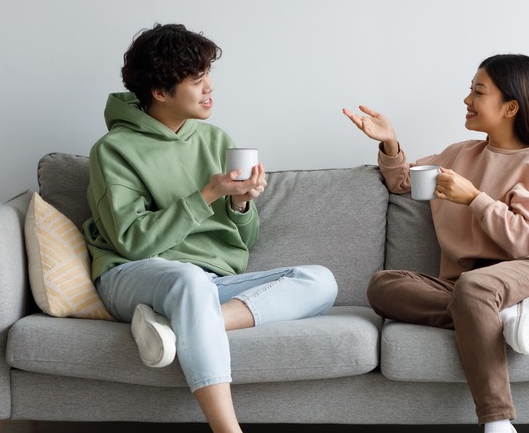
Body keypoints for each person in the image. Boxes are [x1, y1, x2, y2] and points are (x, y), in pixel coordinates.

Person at [82, 23, 338, 433]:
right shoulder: (113, 150)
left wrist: (240, 203)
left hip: (209, 283)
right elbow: (131, 242)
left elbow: (244, 242)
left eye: (208, 77)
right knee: (187, 281)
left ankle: (184, 322)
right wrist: (205, 195)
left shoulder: (216, 139)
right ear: (161, 92)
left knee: (320, 281)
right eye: (197, 80)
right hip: (131, 276)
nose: (209, 89)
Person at [343, 54, 529, 433]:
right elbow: (404, 183)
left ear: (511, 107)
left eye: (478, 91)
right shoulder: (460, 154)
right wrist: (390, 142)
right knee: (383, 286)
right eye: (469, 90)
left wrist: (474, 199)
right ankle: (499, 313)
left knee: (475, 289)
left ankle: (498, 421)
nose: (466, 100)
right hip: (478, 283)